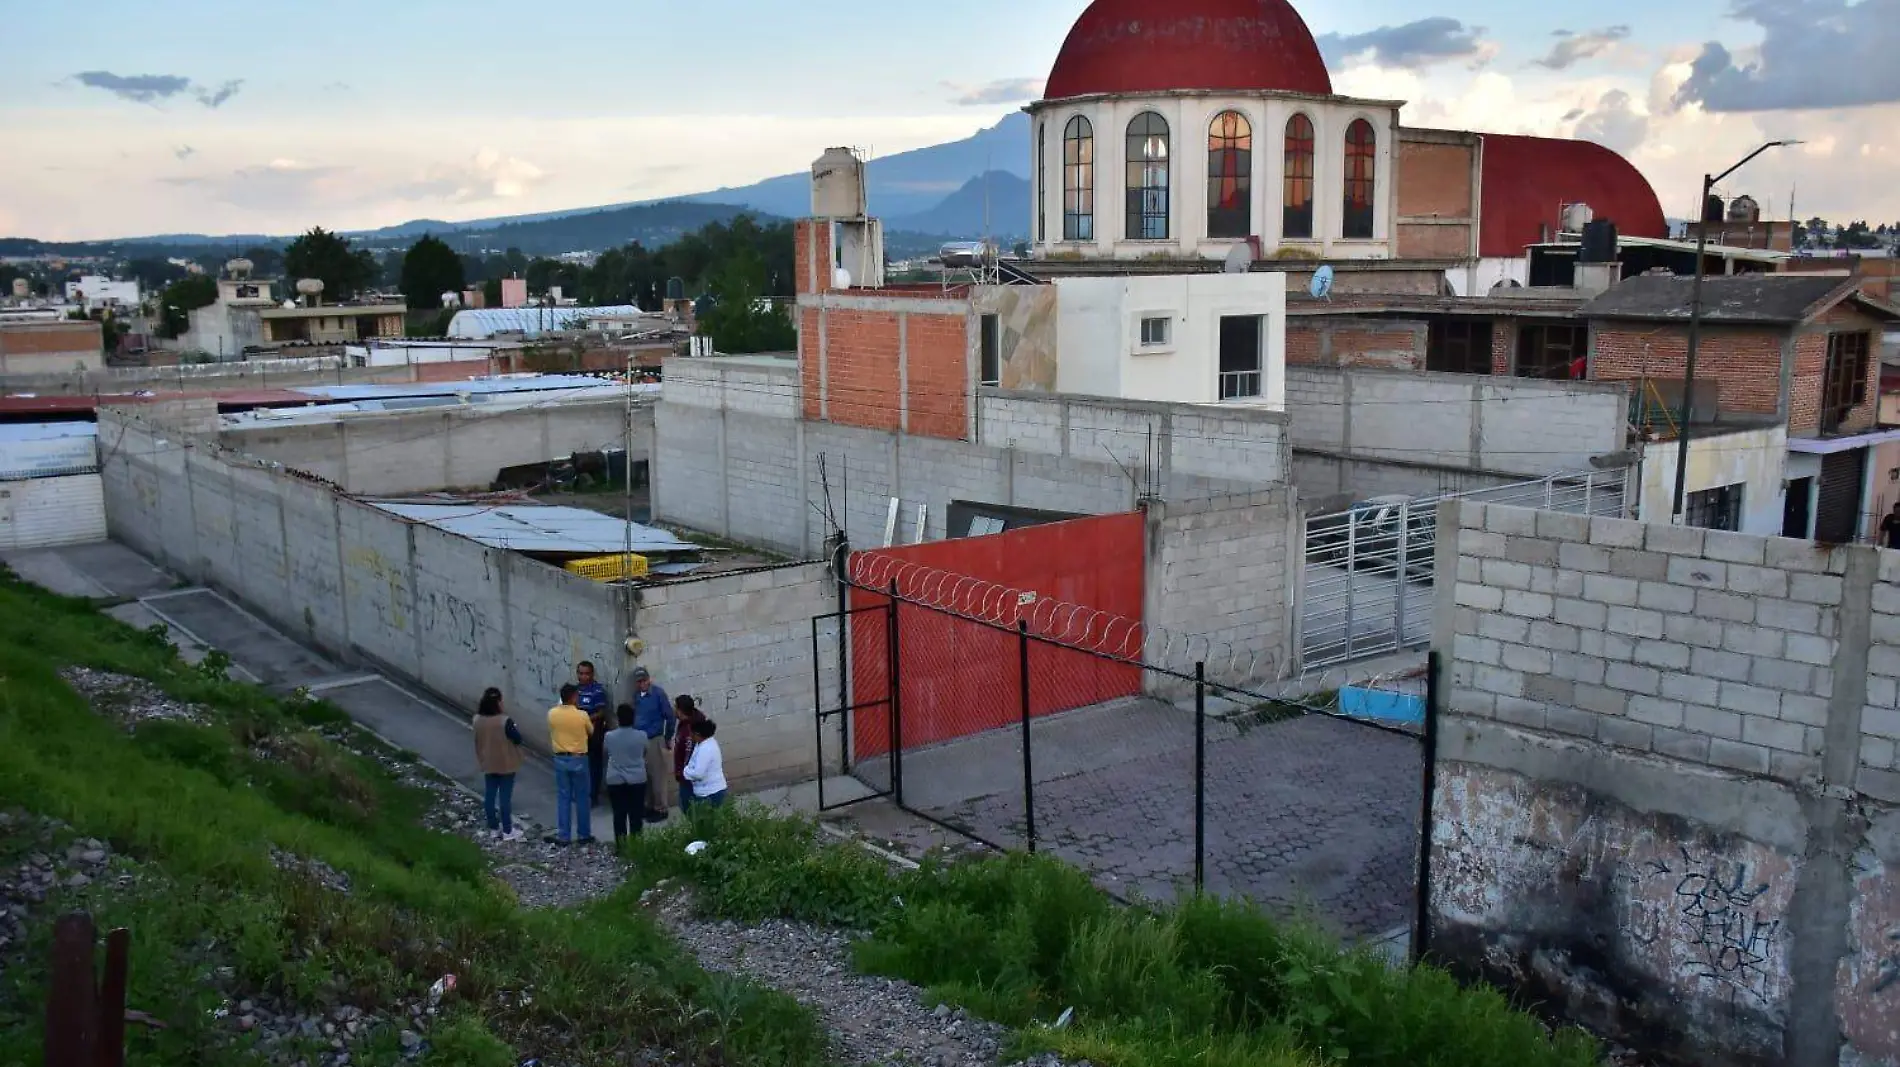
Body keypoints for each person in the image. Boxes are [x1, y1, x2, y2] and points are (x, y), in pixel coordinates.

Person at [472, 687, 525, 841]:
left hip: (487, 761)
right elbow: (517, 738)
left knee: (489, 795)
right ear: (498, 702)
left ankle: (494, 828)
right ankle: (508, 830)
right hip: (506, 762)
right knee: (505, 798)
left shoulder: (477, 719)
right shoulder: (504, 721)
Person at [546, 683, 595, 846]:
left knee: (563, 797)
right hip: (578, 758)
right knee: (582, 797)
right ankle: (584, 834)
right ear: (574, 697)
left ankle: (564, 835)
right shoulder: (582, 715)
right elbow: (591, 731)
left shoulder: (552, 713)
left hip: (560, 758)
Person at [629, 667, 675, 821]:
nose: (642, 684)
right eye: (639, 681)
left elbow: (670, 717)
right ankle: (649, 806)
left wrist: (668, 737)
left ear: (649, 680)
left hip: (654, 738)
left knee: (657, 776)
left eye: (644, 680)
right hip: (640, 740)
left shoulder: (658, 694)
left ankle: (661, 808)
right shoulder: (637, 697)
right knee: (645, 776)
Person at [602, 703, 649, 845]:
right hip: (637, 780)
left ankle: (621, 846)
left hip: (615, 780)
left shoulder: (609, 736)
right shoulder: (642, 735)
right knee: (636, 816)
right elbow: (645, 752)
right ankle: (636, 846)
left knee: (619, 815)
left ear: (618, 719)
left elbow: (605, 752)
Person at [574, 661, 611, 809]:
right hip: (577, 735)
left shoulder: (597, 691)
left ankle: (593, 796)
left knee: (594, 766)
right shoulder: (575, 691)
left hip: (593, 735)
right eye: (581, 673)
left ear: (592, 674)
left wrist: (585, 719)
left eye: (586, 673)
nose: (584, 676)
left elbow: (601, 712)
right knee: (580, 766)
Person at [681, 718, 727, 809]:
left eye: (692, 733)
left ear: (697, 734)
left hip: (710, 793)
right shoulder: (703, 743)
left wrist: (685, 771)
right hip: (709, 791)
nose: (690, 736)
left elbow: (698, 774)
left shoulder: (706, 749)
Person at [673, 695, 705, 812]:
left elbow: (688, 753)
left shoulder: (689, 730)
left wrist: (682, 773)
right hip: (686, 775)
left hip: (688, 778)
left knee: (689, 809)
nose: (674, 710)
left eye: (675, 707)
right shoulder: (685, 724)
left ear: (680, 711)